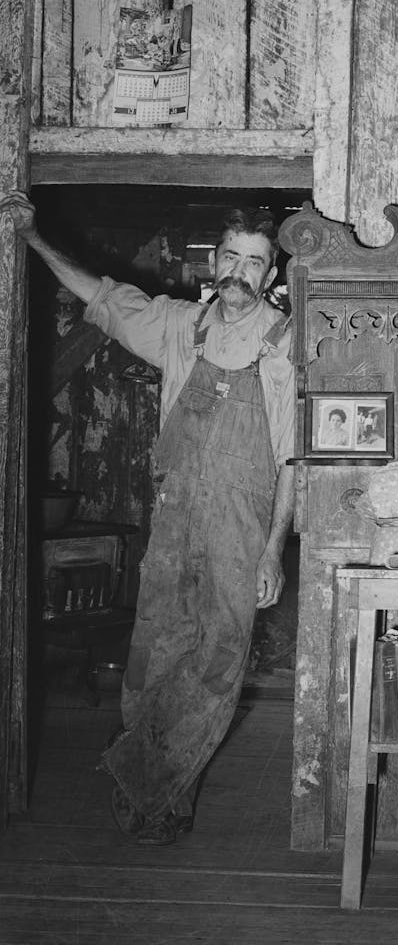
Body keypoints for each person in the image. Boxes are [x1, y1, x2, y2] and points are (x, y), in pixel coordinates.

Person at [0, 189, 296, 846]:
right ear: (212, 262)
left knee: (218, 667)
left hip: (240, 527)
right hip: (173, 517)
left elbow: (292, 461)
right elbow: (102, 297)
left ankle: (149, 788)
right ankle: (160, 792)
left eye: (255, 262)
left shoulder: (283, 346)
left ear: (270, 275)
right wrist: (31, 239)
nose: (240, 271)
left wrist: (273, 548)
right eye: (232, 256)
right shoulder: (178, 326)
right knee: (154, 656)